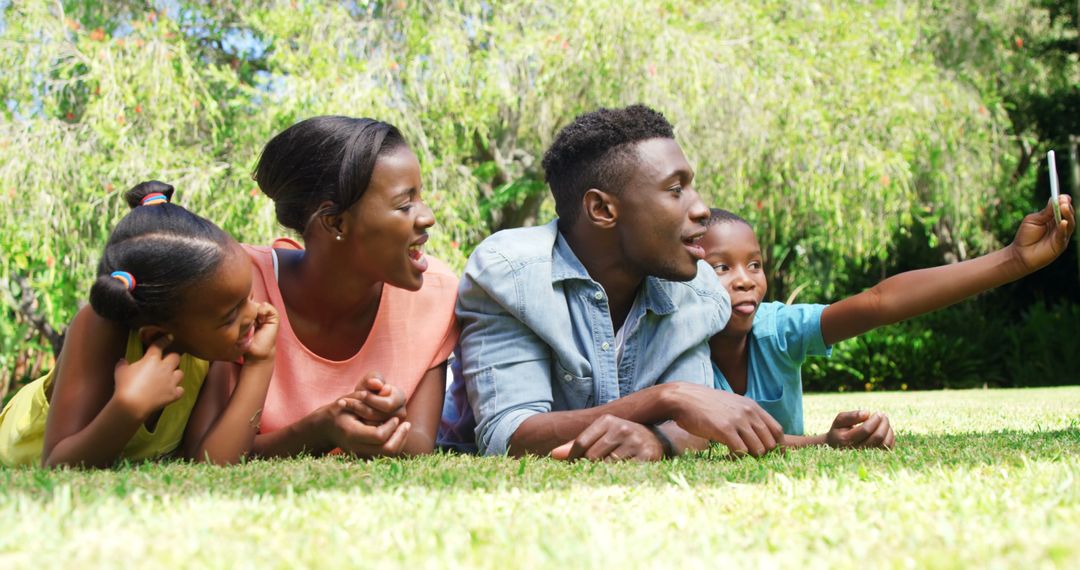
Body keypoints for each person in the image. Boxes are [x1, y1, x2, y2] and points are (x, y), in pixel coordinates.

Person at [439, 105, 786, 461]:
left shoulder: (698, 291)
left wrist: (659, 442)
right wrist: (667, 397)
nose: (701, 210)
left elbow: (696, 422)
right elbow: (506, 434)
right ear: (603, 210)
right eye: (675, 189)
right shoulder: (512, 273)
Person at [702, 195, 1074, 449]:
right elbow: (700, 442)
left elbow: (879, 302)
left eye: (755, 264)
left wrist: (1015, 260)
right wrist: (822, 442)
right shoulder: (676, 348)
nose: (746, 279)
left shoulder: (777, 330)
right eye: (722, 267)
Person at [0, 181, 279, 468]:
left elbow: (212, 462)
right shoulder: (100, 326)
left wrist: (261, 361)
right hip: (19, 452)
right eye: (231, 316)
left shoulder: (212, 348)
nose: (252, 314)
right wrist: (129, 407)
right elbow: (58, 466)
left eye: (249, 296)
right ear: (157, 333)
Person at [227, 116, 458, 458]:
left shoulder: (435, 296)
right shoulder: (239, 285)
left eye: (420, 198)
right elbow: (213, 451)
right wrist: (320, 429)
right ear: (335, 222)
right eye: (404, 204)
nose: (427, 217)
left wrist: (390, 420)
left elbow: (420, 446)